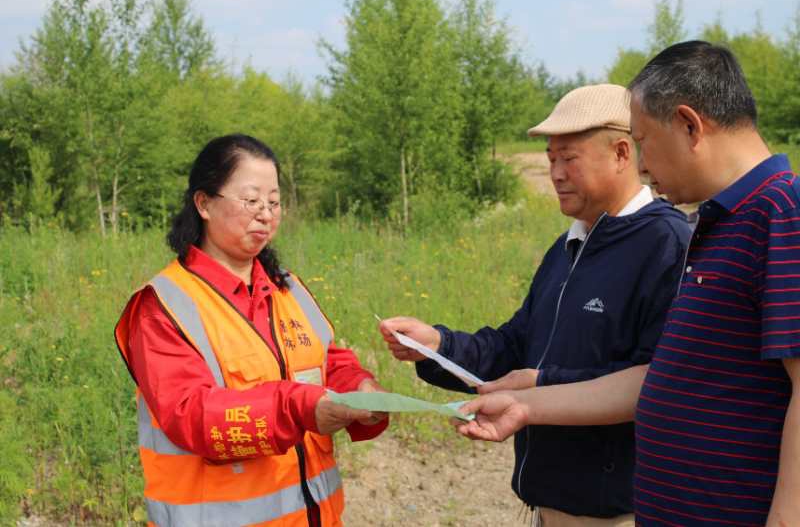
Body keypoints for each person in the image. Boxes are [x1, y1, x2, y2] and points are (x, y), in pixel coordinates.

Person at [457, 41, 800, 526]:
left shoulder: (782, 211)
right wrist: (525, 405)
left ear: (688, 125)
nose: (640, 165)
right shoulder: (718, 224)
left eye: (644, 141)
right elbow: (660, 378)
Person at [381, 84, 691, 526]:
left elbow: (657, 380)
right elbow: (514, 346)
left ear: (623, 153)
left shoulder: (667, 245)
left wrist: (540, 385)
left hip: (620, 512)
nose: (556, 174)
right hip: (548, 508)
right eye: (550, 159)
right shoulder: (567, 247)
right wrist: (436, 347)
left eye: (569, 158)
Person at [115, 134, 388, 527]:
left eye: (274, 202)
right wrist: (299, 407)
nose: (265, 213)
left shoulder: (286, 288)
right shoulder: (163, 305)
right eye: (251, 200)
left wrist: (360, 388)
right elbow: (190, 415)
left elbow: (326, 360)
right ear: (204, 203)